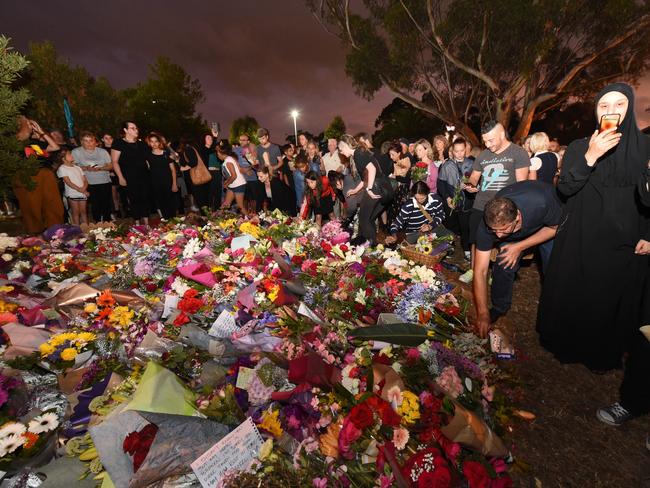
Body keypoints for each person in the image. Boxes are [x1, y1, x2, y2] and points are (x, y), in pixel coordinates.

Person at [537, 82, 650, 372]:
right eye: (604, 105)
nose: (611, 111)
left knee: (608, 299)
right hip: (581, 236)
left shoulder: (645, 148)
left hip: (625, 242)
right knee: (577, 291)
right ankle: (566, 343)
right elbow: (565, 188)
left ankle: (600, 354)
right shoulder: (578, 146)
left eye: (619, 105)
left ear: (629, 108)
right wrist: (591, 155)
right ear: (596, 111)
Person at [473, 181, 562, 336]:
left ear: (518, 217)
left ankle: (556, 310)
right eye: (494, 231)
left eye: (503, 230)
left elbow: (555, 228)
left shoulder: (542, 202)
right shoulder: (488, 225)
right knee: (503, 261)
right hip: (517, 230)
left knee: (554, 269)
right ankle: (500, 307)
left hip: (546, 226)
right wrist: (482, 313)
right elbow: (480, 271)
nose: (498, 236)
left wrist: (519, 246)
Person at [461, 121, 530, 283]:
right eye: (485, 140)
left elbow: (522, 186)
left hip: (504, 207)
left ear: (501, 134)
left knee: (501, 242)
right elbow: (474, 178)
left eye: (490, 140)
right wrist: (470, 186)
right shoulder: (483, 155)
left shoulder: (518, 153)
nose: (487, 144)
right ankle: (473, 270)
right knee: (476, 240)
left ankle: (495, 274)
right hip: (480, 205)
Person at [13, 117, 65, 233]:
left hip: (45, 173)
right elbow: (21, 138)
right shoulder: (16, 141)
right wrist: (24, 125)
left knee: (53, 204)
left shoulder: (36, 144)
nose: (31, 126)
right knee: (31, 207)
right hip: (27, 175)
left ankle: (56, 232)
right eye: (29, 124)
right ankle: (34, 234)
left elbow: (55, 147)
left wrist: (42, 133)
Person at [338, 134, 383, 245]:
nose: (341, 153)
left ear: (345, 146)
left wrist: (369, 189)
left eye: (340, 150)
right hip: (381, 186)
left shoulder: (358, 153)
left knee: (364, 218)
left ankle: (371, 245)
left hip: (379, 186)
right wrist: (355, 190)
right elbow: (364, 179)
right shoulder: (358, 154)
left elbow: (372, 169)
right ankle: (371, 245)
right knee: (368, 218)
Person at [437, 138, 476, 259]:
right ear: (452, 151)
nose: (459, 153)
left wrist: (471, 186)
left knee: (465, 227)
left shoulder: (471, 164)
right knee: (450, 226)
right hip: (450, 201)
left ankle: (466, 249)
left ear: (466, 150)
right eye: (456, 151)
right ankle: (448, 248)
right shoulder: (447, 165)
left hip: (466, 202)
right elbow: (440, 183)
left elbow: (478, 182)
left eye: (462, 150)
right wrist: (447, 198)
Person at [111, 121, 151, 225]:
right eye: (132, 128)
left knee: (145, 198)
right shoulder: (118, 143)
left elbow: (148, 159)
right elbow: (115, 162)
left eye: (136, 128)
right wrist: (120, 177)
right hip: (128, 176)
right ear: (125, 130)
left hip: (143, 176)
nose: (136, 130)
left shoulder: (142, 144)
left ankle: (146, 223)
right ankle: (137, 223)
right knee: (134, 199)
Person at [72, 131, 113, 222]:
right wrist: (85, 168)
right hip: (88, 182)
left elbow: (111, 165)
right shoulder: (76, 152)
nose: (89, 143)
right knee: (95, 204)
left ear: (95, 141)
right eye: (86, 141)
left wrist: (101, 168)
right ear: (81, 142)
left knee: (106, 203)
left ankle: (107, 222)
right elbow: (72, 167)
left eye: (91, 140)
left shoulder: (102, 151)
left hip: (104, 181)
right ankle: (97, 222)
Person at [145, 132, 177, 219]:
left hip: (168, 182)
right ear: (149, 143)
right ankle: (166, 221)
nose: (154, 143)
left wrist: (174, 184)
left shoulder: (166, 153)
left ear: (159, 142)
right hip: (155, 183)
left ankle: (174, 221)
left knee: (171, 203)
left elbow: (173, 170)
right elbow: (148, 168)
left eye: (156, 141)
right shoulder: (148, 155)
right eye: (152, 141)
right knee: (161, 203)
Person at [56, 149, 89, 225]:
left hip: (82, 192)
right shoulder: (62, 168)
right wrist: (83, 191)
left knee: (83, 211)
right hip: (73, 193)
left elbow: (85, 180)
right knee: (76, 212)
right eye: (69, 155)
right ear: (63, 158)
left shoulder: (77, 167)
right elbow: (68, 182)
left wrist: (84, 188)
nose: (72, 156)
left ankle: (86, 229)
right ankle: (77, 230)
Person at [219, 141, 247, 215]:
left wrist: (226, 183)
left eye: (217, 153)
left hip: (238, 185)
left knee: (240, 206)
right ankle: (215, 219)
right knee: (226, 204)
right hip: (233, 185)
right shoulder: (229, 158)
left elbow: (234, 176)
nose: (217, 155)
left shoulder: (228, 161)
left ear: (220, 153)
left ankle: (252, 222)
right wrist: (227, 182)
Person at [387, 142, 412, 226]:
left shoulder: (405, 161)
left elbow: (406, 178)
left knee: (401, 212)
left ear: (399, 153)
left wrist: (395, 177)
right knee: (393, 211)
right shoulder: (393, 163)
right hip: (395, 190)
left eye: (392, 154)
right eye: (390, 154)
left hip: (403, 191)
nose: (391, 157)